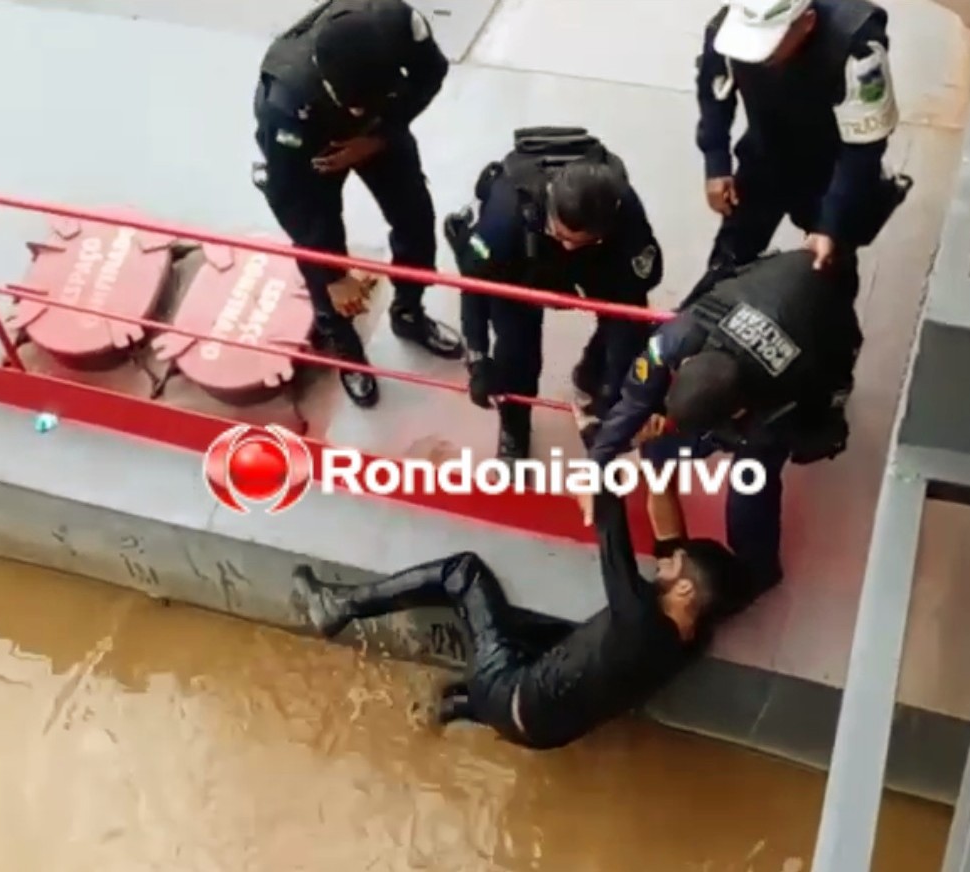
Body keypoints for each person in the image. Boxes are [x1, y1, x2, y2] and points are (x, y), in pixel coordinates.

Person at [291, 490, 757, 749]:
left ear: (685, 590)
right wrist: (658, 466)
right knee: (550, 641)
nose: (663, 563)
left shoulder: (637, 613)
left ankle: (339, 608)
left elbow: (608, 519)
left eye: (673, 566)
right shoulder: (692, 637)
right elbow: (671, 542)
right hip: (546, 735)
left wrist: (598, 432)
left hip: (507, 689)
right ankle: (449, 708)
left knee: (464, 573)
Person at [579, 249, 862, 593]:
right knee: (661, 446)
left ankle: (760, 571)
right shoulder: (678, 337)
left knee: (752, 481)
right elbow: (636, 398)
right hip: (770, 278)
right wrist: (594, 465)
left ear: (738, 413)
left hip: (818, 316)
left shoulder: (781, 394)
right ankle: (671, 524)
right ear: (683, 366)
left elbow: (774, 431)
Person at [253, 0, 463, 409]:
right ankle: (346, 346)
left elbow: (431, 74)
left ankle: (409, 311)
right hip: (314, 150)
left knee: (415, 217)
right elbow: (294, 203)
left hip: (382, 129)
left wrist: (379, 133)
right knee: (318, 250)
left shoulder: (401, 24)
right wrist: (335, 274)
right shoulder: (286, 102)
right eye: (349, 102)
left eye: (363, 101)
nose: (354, 109)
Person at [443, 127, 663, 462]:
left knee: (624, 339)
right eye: (562, 235)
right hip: (522, 268)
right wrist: (477, 357)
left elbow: (630, 308)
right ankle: (515, 427)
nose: (568, 245)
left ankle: (592, 381)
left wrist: (616, 393)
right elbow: (475, 286)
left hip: (595, 267)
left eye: (579, 239)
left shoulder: (625, 213)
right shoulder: (504, 216)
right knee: (516, 355)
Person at [692, 0, 911, 304]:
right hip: (764, 153)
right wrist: (716, 163)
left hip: (832, 169)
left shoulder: (855, 43)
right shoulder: (730, 28)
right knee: (727, 259)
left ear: (806, 22)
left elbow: (864, 147)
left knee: (828, 271)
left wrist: (830, 226)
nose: (760, 57)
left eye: (771, 44)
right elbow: (713, 94)